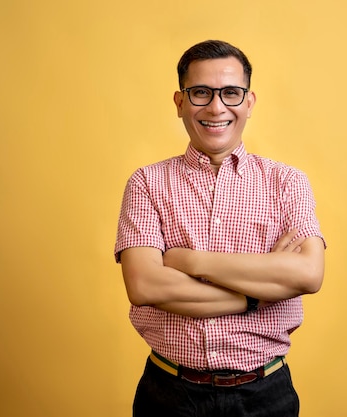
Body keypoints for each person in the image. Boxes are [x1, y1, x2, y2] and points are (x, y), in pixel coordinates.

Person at [114, 39, 326, 417]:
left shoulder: (287, 183)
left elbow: (308, 275)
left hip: (266, 396)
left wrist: (190, 261)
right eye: (200, 93)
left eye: (230, 93)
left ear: (249, 101)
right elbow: (144, 285)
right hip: (168, 395)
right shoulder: (146, 183)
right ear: (180, 103)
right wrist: (256, 297)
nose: (216, 107)